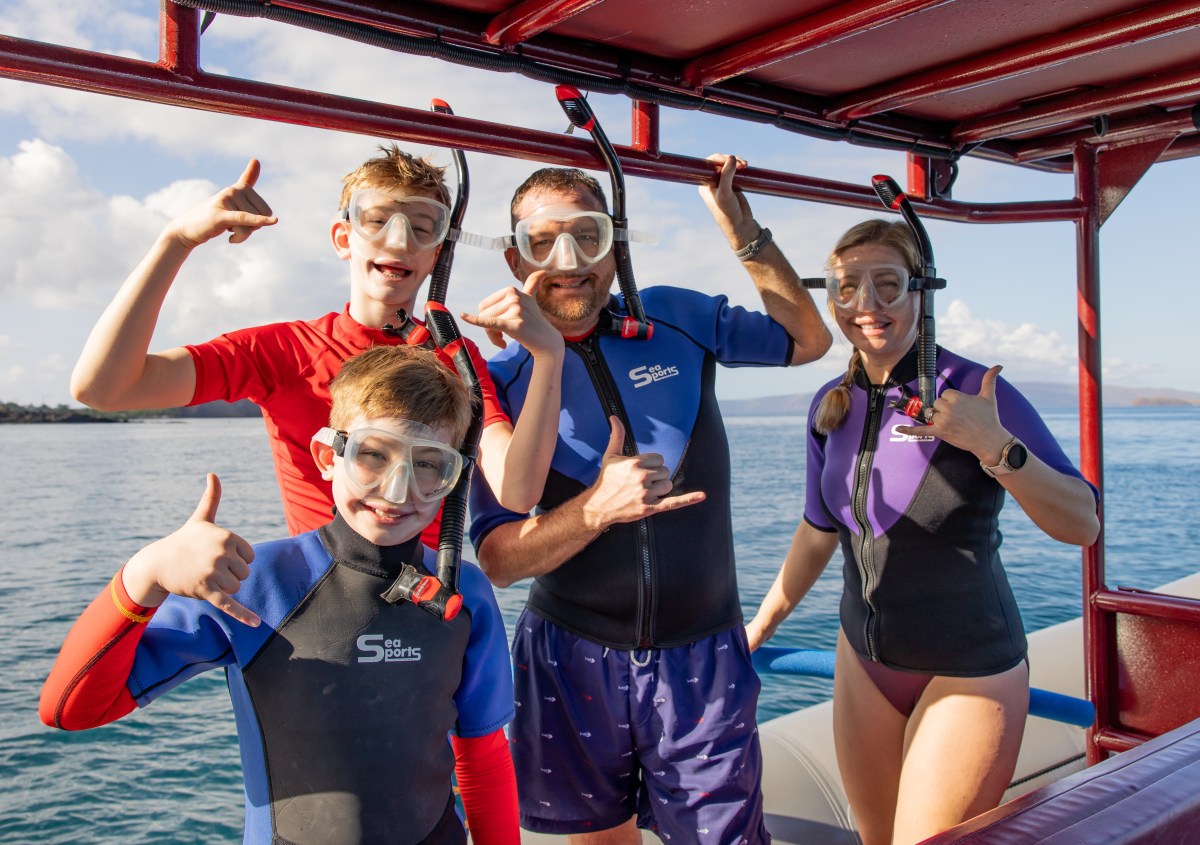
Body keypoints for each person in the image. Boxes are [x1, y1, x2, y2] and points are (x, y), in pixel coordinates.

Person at [468, 155, 833, 844]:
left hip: (701, 653)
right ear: (517, 263)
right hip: (568, 655)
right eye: (542, 242)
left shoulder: (676, 317)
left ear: (618, 245)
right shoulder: (503, 379)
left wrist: (740, 224)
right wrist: (594, 511)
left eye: (589, 235)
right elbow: (499, 561)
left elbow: (808, 341)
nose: (569, 260)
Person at [41, 344, 519, 845]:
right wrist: (146, 575)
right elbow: (70, 709)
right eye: (373, 455)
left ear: (454, 479)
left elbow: (483, 756)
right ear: (327, 457)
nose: (397, 491)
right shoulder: (256, 582)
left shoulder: (464, 595)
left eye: (428, 466)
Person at [745, 219, 1101, 845]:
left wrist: (994, 445)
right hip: (864, 661)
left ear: (920, 293)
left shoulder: (973, 393)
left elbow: (1081, 524)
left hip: (969, 667)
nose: (868, 306)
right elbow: (817, 530)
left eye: (888, 285)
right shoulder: (830, 403)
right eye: (847, 288)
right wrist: (759, 627)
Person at [70, 145, 563, 545]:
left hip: (424, 615)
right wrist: (175, 240)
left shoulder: (456, 358)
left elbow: (516, 493)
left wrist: (548, 356)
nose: (398, 241)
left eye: (421, 226)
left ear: (438, 252)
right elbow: (105, 390)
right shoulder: (283, 351)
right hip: (320, 604)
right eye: (378, 221)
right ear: (343, 238)